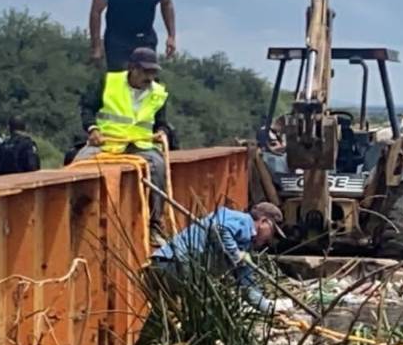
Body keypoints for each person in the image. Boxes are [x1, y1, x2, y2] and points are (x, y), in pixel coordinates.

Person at [75, 47, 171, 242]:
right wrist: (93, 129)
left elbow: (162, 122)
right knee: (77, 164)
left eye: (153, 72)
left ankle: (154, 223)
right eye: (145, 71)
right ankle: (75, 217)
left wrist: (162, 132)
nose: (149, 77)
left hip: (141, 145)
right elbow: (87, 107)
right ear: (132, 68)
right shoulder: (109, 82)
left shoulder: (158, 92)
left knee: (158, 167)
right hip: (107, 142)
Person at [149, 203, 287, 313]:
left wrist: (266, 307)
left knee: (163, 319)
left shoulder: (243, 244)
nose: (270, 239)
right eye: (272, 232)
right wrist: (235, 254)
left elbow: (245, 282)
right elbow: (219, 228)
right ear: (263, 221)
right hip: (176, 264)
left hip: (162, 264)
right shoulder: (244, 222)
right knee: (206, 312)